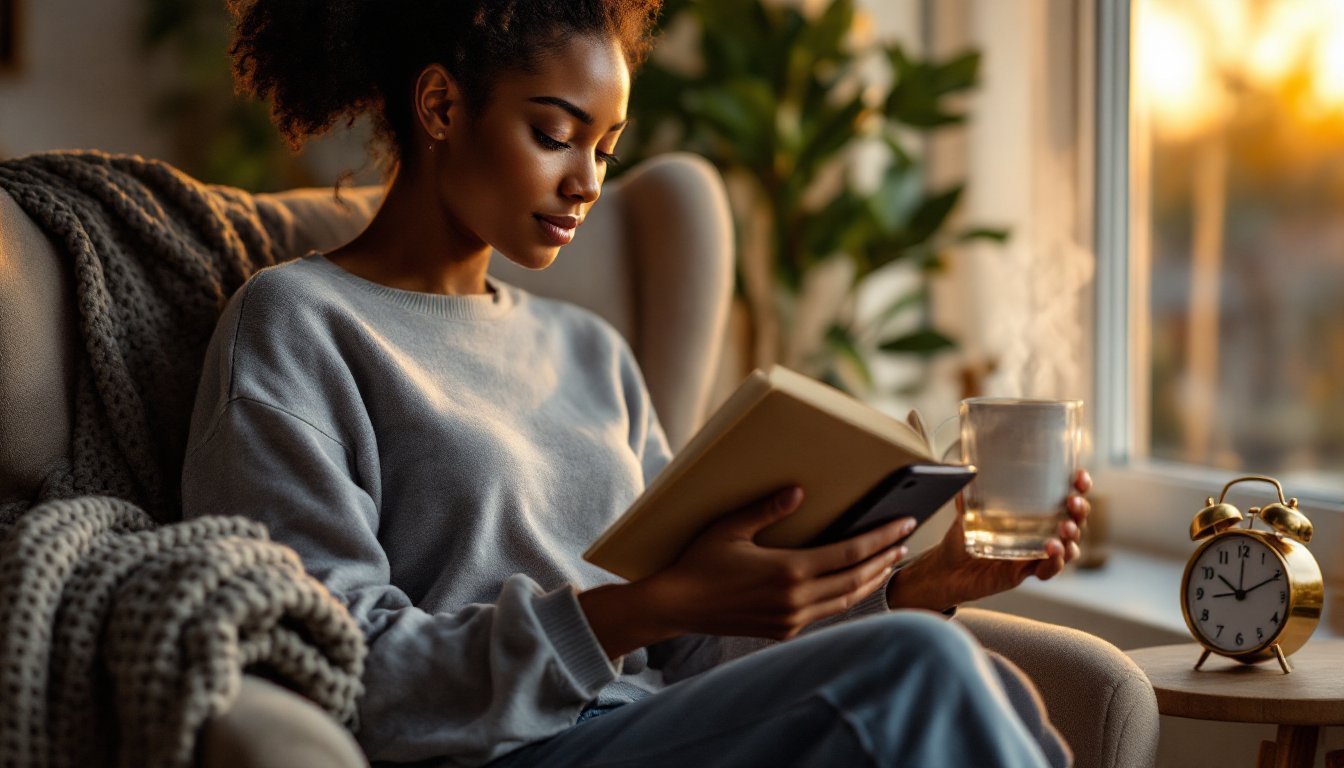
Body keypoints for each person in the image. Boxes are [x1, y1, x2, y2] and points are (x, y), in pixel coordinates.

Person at [182, 2, 1090, 766]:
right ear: (440, 104)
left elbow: (690, 652)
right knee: (916, 672)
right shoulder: (299, 325)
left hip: (650, 730)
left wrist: (925, 578)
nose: (585, 182)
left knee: (966, 673)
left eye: (606, 149)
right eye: (554, 134)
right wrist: (644, 607)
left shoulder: (591, 351)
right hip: (493, 751)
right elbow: (342, 671)